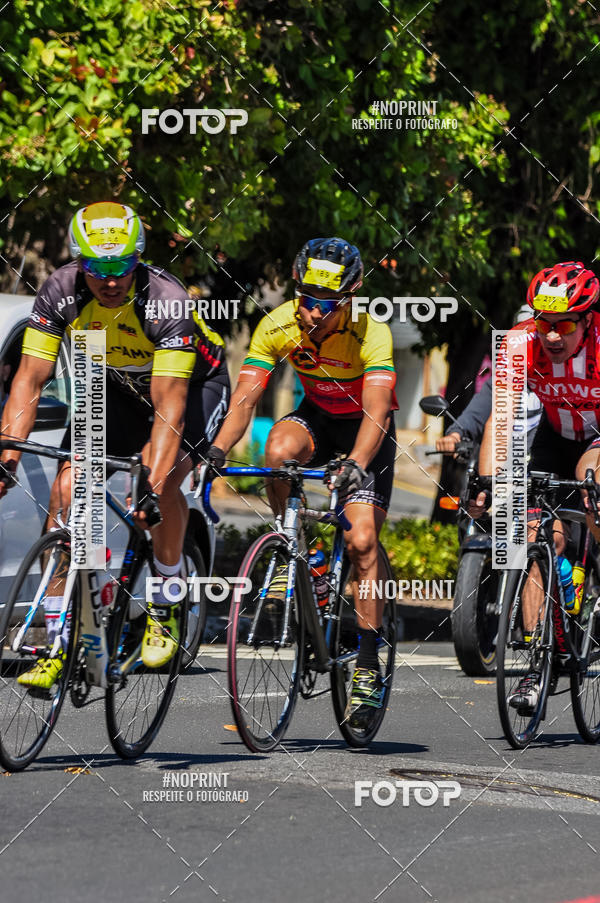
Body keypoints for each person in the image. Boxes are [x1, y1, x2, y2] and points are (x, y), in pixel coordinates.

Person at [0, 201, 230, 687]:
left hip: (189, 386)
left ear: (139, 259)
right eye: (97, 267)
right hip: (110, 379)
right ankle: (61, 637)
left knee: (163, 479)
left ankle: (166, 602)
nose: (110, 280)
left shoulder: (165, 300)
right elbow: (29, 380)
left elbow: (169, 405)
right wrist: (8, 455)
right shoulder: (61, 289)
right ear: (79, 263)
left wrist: (149, 482)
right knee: (66, 491)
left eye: (121, 266)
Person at [207, 237, 398, 729]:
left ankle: (368, 664)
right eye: (306, 299)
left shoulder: (370, 331)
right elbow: (247, 399)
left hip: (364, 431)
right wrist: (218, 450)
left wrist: (356, 461)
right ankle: (298, 547)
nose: (313, 313)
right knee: (277, 452)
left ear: (350, 297)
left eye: (325, 304)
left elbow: (377, 411)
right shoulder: (280, 323)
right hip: (317, 414)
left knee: (361, 541)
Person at [476, 261, 600, 712]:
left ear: (587, 320)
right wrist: (487, 480)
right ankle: (536, 665)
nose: (551, 336)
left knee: (592, 483)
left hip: (597, 437)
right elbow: (502, 418)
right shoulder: (517, 341)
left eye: (564, 325)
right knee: (535, 537)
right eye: (544, 322)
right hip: (553, 436)